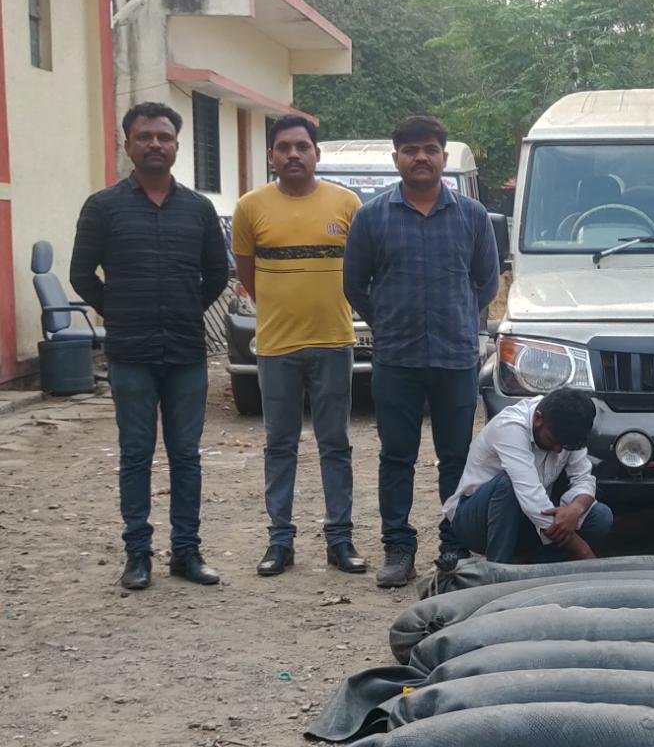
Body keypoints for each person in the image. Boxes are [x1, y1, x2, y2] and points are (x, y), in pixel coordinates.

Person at [70, 102, 229, 591]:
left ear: (177, 146)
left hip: (185, 353)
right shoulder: (104, 206)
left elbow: (217, 275)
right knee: (136, 454)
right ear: (128, 145)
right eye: (145, 137)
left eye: (164, 137)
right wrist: (118, 309)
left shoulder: (198, 209)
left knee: (186, 456)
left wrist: (183, 308)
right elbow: (81, 274)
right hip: (131, 354)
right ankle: (137, 555)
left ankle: (187, 553)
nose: (155, 144)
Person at [344, 115, 500, 588]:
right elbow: (355, 286)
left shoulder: (472, 216)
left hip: (454, 358)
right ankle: (399, 547)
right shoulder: (372, 216)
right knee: (397, 456)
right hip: (396, 359)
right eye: (410, 150)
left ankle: (454, 545)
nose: (421, 157)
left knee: (457, 457)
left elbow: (486, 282)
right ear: (396, 159)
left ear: (443, 157)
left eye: (430, 149)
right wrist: (389, 323)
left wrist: (457, 320)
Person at [232, 115, 366, 578]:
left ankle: (340, 540)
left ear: (316, 153)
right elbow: (246, 273)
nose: (293, 154)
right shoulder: (251, 207)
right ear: (271, 155)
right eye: (283, 147)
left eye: (302, 146)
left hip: (334, 342)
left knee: (336, 444)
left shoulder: (347, 204)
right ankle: (280, 542)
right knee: (279, 444)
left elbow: (362, 267)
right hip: (276, 346)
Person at [443, 388, 613, 562]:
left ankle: (537, 564)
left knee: (600, 517)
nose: (559, 449)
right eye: (553, 441)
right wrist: (581, 549)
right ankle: (500, 571)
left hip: (527, 520)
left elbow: (584, 479)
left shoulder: (569, 429)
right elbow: (532, 498)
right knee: (507, 485)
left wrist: (574, 509)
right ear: (538, 419)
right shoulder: (510, 426)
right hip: (476, 521)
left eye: (566, 445)